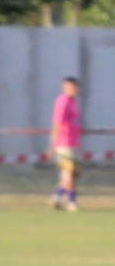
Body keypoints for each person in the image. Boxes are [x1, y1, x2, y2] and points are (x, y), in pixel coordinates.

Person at [51, 77, 82, 211]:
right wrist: (53, 144)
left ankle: (57, 197)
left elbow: (74, 123)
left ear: (76, 88)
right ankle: (71, 202)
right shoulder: (62, 101)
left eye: (71, 87)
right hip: (64, 142)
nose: (69, 89)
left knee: (74, 173)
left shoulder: (73, 102)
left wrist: (78, 143)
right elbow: (57, 123)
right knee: (68, 172)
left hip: (73, 142)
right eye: (66, 87)